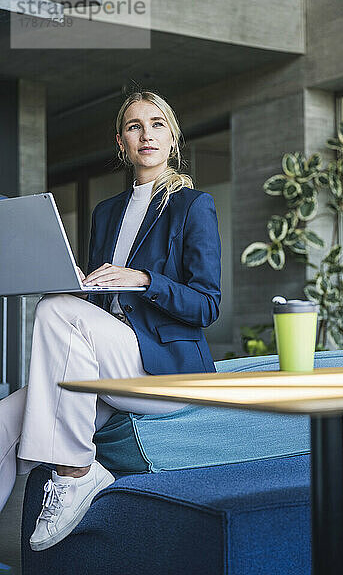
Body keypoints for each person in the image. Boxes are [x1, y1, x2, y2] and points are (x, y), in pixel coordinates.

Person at [0, 90, 222, 551]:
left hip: (162, 372)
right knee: (3, 419)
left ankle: (76, 472)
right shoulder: (107, 213)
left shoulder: (192, 205)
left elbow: (206, 304)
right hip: (106, 364)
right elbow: (100, 308)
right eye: (134, 126)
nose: (146, 134)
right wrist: (78, 283)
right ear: (120, 143)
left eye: (157, 124)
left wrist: (143, 278)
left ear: (172, 139)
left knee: (56, 310)